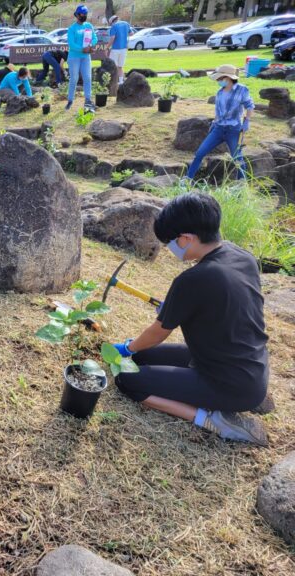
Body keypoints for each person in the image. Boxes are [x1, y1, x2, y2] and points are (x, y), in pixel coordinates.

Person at [114, 193, 269, 446]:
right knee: (138, 360)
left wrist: (128, 347)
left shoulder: (192, 279)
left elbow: (159, 332)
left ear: (186, 239)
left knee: (127, 378)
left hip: (227, 380)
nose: (170, 249)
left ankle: (211, 419)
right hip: (250, 365)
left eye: (170, 243)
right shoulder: (242, 256)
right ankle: (252, 396)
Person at [187, 65, 253, 181]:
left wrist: (246, 121)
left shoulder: (242, 90)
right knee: (200, 153)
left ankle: (242, 184)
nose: (218, 81)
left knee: (237, 158)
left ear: (227, 78)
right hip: (218, 129)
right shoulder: (220, 93)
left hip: (233, 130)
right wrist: (214, 123)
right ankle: (187, 179)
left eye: (219, 78)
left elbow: (249, 106)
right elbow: (218, 112)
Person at [66, 5, 98, 112]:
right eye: (81, 14)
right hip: (74, 57)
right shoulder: (72, 28)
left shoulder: (89, 25)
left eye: (85, 14)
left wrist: (90, 46)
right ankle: (70, 100)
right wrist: (82, 49)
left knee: (88, 78)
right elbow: (71, 44)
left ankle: (88, 100)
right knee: (74, 79)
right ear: (77, 15)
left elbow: (94, 38)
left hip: (86, 57)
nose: (83, 16)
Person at [106, 15, 132, 85]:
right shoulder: (126, 24)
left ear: (112, 22)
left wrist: (107, 47)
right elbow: (131, 33)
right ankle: (121, 82)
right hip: (124, 49)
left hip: (115, 49)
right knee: (120, 66)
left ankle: (112, 81)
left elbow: (112, 38)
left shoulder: (114, 26)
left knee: (113, 66)